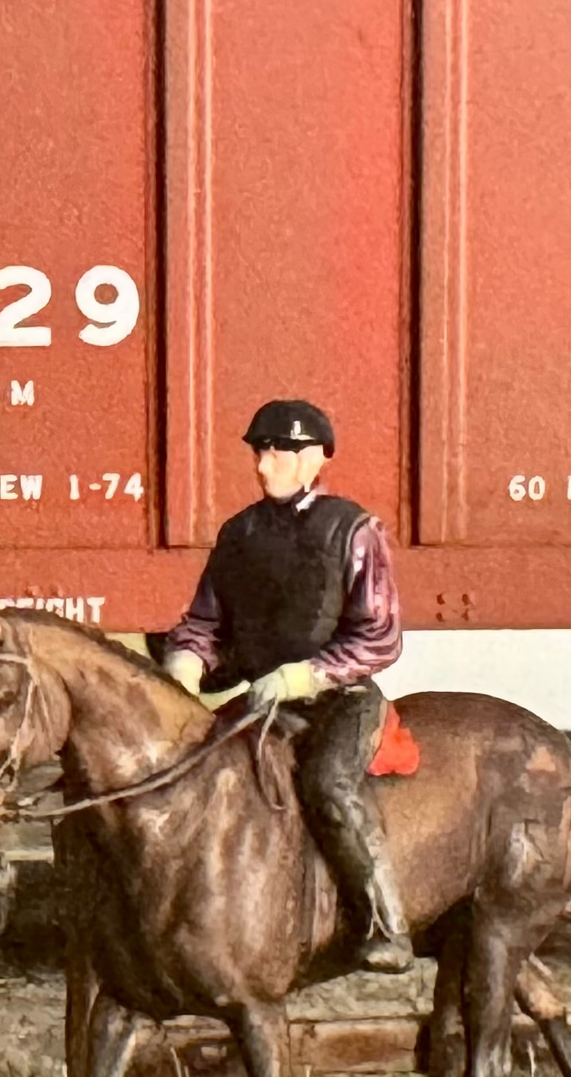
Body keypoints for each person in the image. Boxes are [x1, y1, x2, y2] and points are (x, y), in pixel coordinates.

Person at [161, 398, 413, 973]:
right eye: (260, 451)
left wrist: (307, 674)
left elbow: (380, 636)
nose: (263, 464)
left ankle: (384, 924)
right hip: (260, 701)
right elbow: (204, 621)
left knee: (327, 786)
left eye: (280, 452)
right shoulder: (239, 533)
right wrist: (185, 663)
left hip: (338, 703)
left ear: (315, 458)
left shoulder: (355, 530)